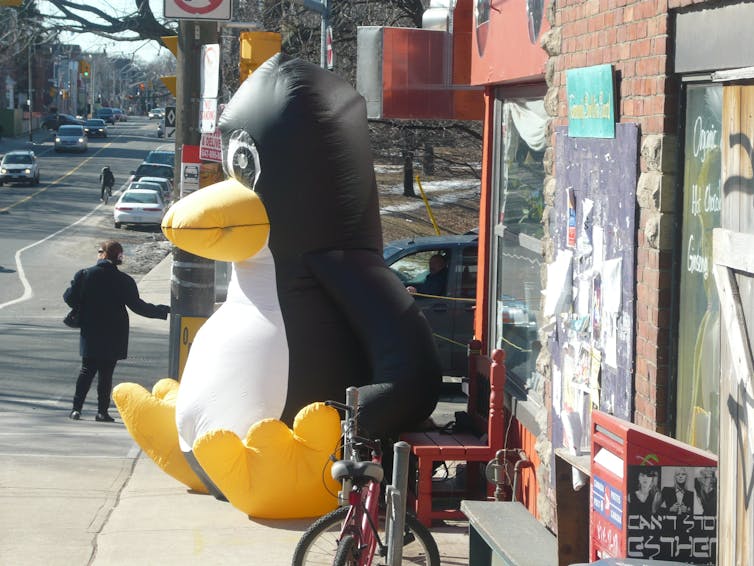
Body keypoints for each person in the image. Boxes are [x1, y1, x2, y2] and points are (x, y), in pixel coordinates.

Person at [64, 240, 170, 422]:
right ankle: (102, 412)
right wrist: (163, 310)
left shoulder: (85, 275)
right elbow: (138, 307)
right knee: (106, 372)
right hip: (115, 331)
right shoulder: (125, 280)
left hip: (92, 329)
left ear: (102, 254)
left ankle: (76, 409)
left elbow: (70, 299)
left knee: (87, 369)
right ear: (119, 257)